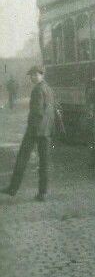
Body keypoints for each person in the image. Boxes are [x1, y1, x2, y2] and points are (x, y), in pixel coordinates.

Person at [1, 66, 54, 202]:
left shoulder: (37, 90)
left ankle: (13, 188)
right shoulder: (48, 88)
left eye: (35, 75)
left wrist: (32, 127)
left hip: (35, 129)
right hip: (46, 129)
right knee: (44, 162)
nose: (33, 77)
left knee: (22, 158)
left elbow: (37, 111)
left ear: (42, 75)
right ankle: (43, 193)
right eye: (31, 75)